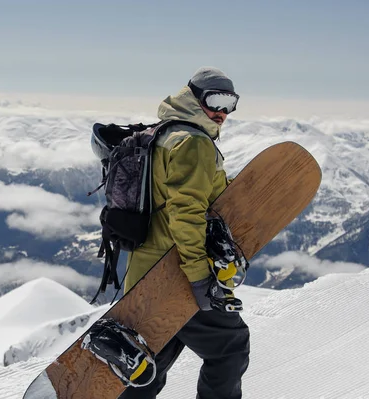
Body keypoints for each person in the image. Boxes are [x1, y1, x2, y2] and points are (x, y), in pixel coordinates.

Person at [119, 67, 250, 399]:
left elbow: (197, 197)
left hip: (144, 270)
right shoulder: (193, 143)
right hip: (175, 272)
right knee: (230, 347)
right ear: (194, 97)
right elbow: (186, 213)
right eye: (215, 100)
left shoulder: (166, 132)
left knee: (153, 362)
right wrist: (198, 276)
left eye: (229, 103)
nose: (222, 112)